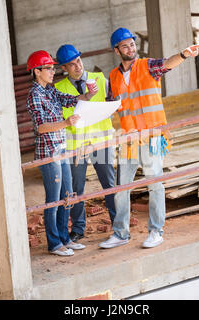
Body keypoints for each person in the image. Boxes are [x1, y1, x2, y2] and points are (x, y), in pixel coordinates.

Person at [99, 27, 199, 249]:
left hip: (153, 136)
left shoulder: (147, 66)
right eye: (125, 46)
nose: (131, 49)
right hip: (128, 139)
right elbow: (112, 104)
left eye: (132, 44)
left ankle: (156, 231)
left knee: (155, 184)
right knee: (121, 187)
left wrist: (184, 54)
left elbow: (167, 63)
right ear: (117, 50)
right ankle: (121, 233)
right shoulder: (114, 76)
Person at [26, 50, 98, 256]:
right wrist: (65, 123)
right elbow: (41, 127)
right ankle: (54, 243)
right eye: (48, 68)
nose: (52, 71)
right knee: (54, 199)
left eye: (52, 67)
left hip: (61, 148)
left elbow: (70, 100)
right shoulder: (34, 95)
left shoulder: (50, 90)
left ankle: (65, 238)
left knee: (67, 195)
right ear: (37, 71)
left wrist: (88, 95)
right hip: (48, 153)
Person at [54, 44, 116, 243]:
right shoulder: (58, 89)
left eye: (78, 61)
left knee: (109, 184)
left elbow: (112, 104)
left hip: (101, 141)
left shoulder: (100, 79)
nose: (77, 66)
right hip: (76, 144)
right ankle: (79, 228)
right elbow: (64, 115)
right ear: (64, 68)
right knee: (76, 188)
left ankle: (118, 224)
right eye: (71, 65)